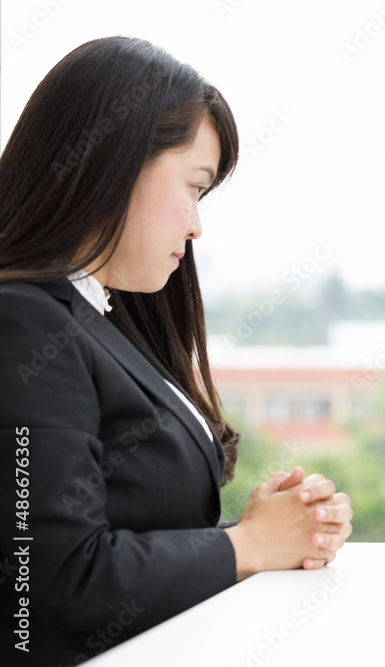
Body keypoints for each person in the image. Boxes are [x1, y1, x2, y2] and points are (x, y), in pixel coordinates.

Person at [0, 37, 353, 664]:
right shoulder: (25, 321)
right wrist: (247, 545)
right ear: (113, 164)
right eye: (193, 186)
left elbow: (122, 537)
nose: (196, 224)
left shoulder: (100, 316)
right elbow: (53, 578)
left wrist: (266, 532)